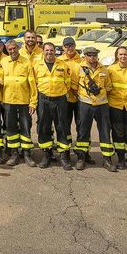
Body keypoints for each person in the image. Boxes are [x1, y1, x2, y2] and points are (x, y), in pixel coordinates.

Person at [73, 47, 116, 172]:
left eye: (94, 55)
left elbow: (108, 87)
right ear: (85, 56)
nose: (92, 57)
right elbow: (74, 86)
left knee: (105, 132)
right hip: (85, 104)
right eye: (89, 55)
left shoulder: (104, 69)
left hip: (102, 105)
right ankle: (81, 158)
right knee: (83, 131)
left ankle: (107, 159)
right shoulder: (78, 68)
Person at [34, 42, 73, 170]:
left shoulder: (63, 65)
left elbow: (68, 83)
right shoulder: (37, 65)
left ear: (55, 51)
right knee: (44, 128)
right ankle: (46, 155)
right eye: (47, 50)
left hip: (60, 100)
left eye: (51, 50)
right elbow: (34, 84)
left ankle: (63, 157)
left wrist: (60, 93)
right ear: (43, 51)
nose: (49, 52)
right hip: (44, 99)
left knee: (62, 127)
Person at [0, 40, 37, 167]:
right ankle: (14, 154)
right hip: (8, 101)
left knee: (25, 127)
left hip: (23, 101)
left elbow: (32, 84)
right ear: (7, 50)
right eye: (9, 49)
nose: (12, 51)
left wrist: (33, 102)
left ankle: (26, 154)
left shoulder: (26, 62)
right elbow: (0, 81)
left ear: (18, 48)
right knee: (11, 128)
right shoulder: (3, 62)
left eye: (14, 48)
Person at [58, 37, 84, 159]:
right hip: (65, 99)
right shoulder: (59, 61)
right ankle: (66, 150)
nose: (69, 48)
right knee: (65, 125)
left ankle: (83, 153)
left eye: (71, 45)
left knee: (82, 126)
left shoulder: (82, 61)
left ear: (75, 46)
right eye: (67, 46)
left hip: (80, 99)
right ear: (63, 47)